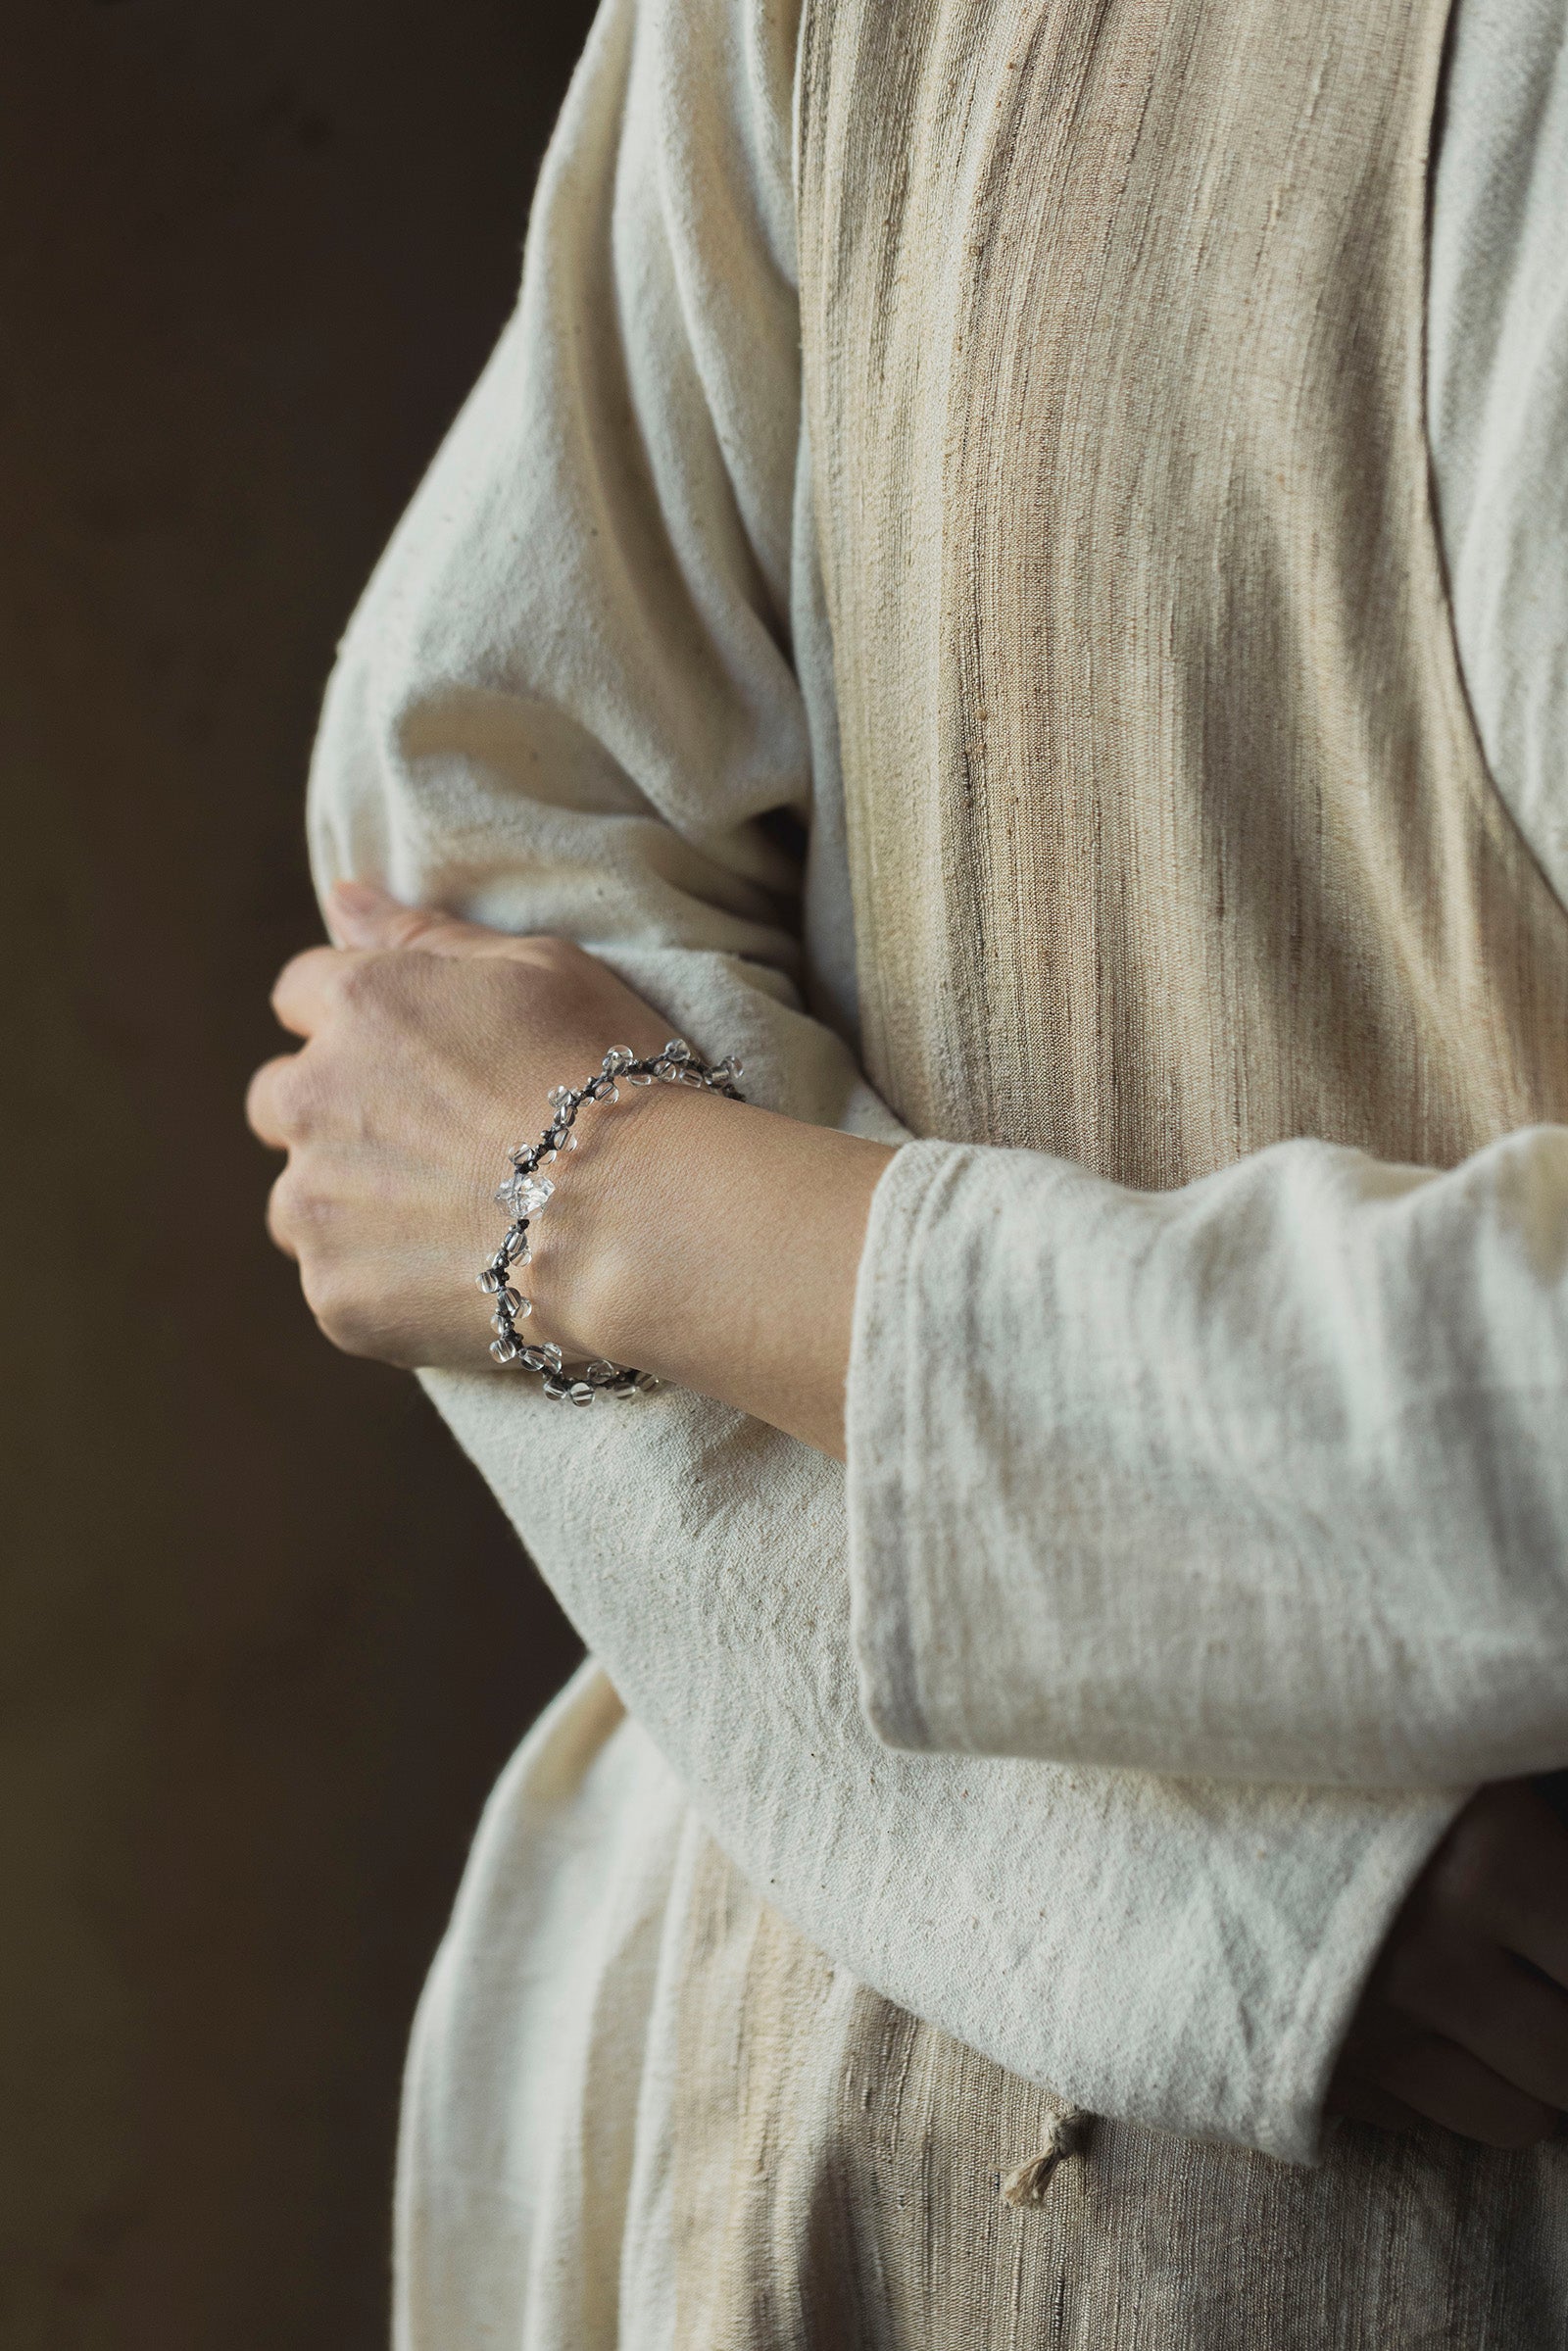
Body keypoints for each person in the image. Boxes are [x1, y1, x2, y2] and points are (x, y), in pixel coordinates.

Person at [246, 0, 1568, 2337]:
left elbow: (481, 1129)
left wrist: (637, 1215)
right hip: (808, 2161)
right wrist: (1201, 1880)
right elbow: (477, 886)